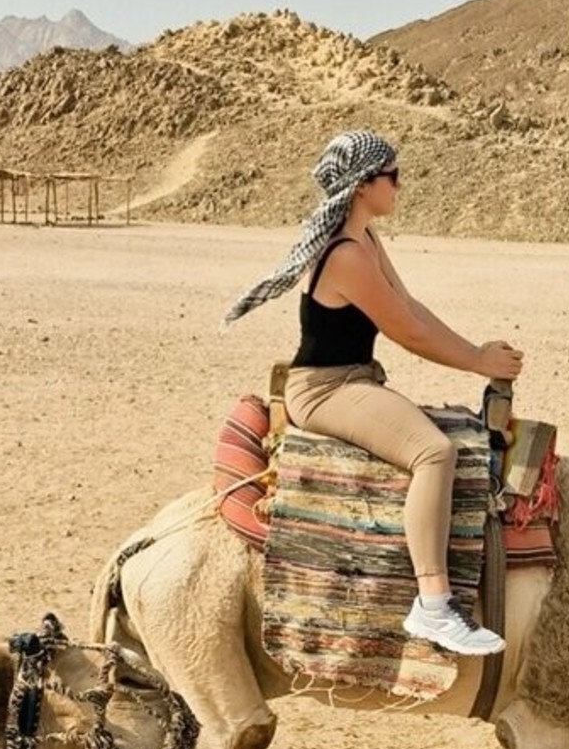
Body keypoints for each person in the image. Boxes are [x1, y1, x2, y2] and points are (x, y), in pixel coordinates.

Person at [223, 128, 523, 657]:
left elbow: (408, 307)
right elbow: (406, 332)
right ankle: (433, 605)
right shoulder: (346, 255)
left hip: (353, 378)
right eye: (392, 176)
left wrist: (478, 352)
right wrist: (477, 361)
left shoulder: (365, 239)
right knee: (434, 453)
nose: (399, 186)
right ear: (364, 184)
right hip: (325, 389)